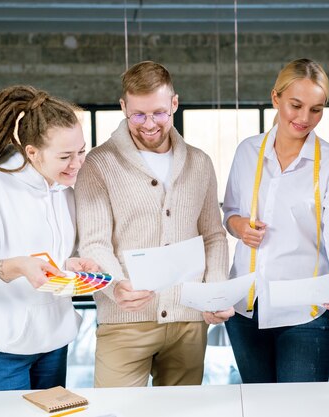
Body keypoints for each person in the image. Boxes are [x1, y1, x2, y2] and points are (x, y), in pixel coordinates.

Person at [74, 61, 232, 388]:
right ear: (123, 107)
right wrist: (115, 285)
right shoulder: (98, 164)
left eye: (159, 113)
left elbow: (214, 236)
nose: (149, 124)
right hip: (123, 321)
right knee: (115, 414)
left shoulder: (200, 162)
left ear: (174, 103)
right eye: (138, 115)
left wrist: (215, 291)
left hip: (188, 321)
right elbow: (93, 243)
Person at [0, 85, 99, 391]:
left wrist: (70, 263)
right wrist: (16, 267)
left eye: (81, 151)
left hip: (52, 343)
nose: (77, 163)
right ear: (32, 152)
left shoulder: (61, 189)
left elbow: (46, 256)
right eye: (65, 156)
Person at [222, 58, 329, 383]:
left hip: (305, 315)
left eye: (316, 109)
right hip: (246, 311)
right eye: (295, 105)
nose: (304, 118)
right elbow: (230, 213)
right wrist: (240, 226)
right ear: (276, 98)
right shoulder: (247, 152)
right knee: (257, 407)